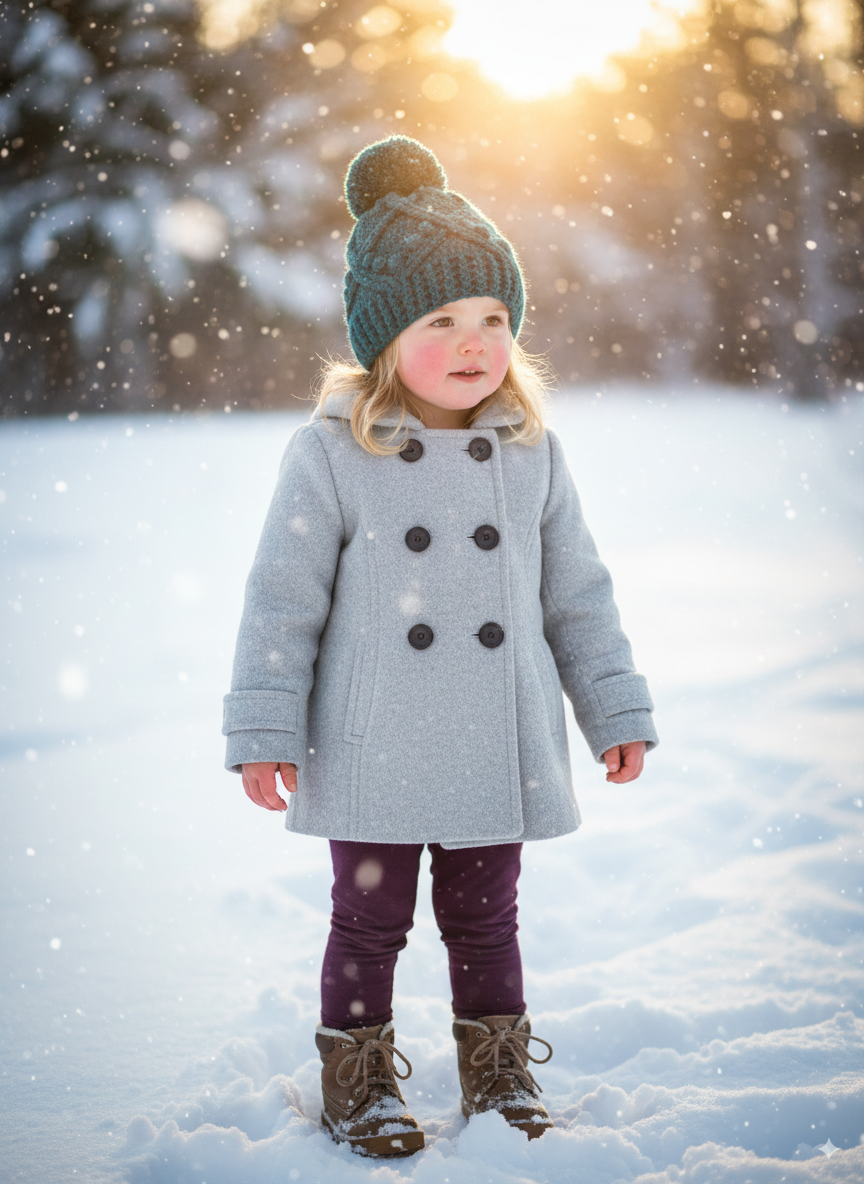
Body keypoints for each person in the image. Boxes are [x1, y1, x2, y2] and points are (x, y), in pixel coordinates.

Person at [222, 136, 658, 1158]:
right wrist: (263, 729)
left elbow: (577, 596)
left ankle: (499, 1075)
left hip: (495, 737)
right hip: (375, 737)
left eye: (494, 318)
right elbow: (281, 602)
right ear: (385, 337)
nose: (475, 343)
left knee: (488, 919)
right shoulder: (333, 452)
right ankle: (358, 1079)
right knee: (368, 921)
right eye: (442, 320)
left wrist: (615, 708)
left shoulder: (530, 452)